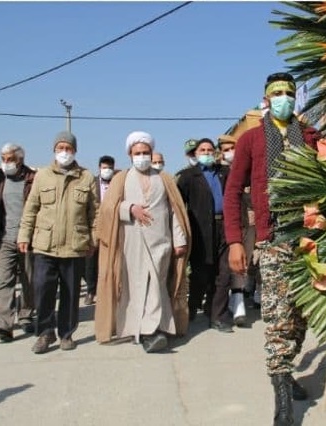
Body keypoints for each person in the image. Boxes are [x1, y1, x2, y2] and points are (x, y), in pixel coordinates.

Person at [223, 72, 321, 424]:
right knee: (279, 317)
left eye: (288, 93)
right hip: (273, 238)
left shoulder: (309, 136)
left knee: (303, 315)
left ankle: (286, 368)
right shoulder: (251, 139)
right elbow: (233, 191)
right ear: (266, 99)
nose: (283, 98)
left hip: (309, 240)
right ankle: (282, 402)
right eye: (277, 93)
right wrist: (236, 241)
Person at [94, 131, 190, 353]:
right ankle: (139, 329)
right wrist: (129, 208)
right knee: (135, 286)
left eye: (146, 152)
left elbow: (175, 211)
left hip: (160, 242)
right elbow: (108, 209)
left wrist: (180, 240)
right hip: (132, 242)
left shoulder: (164, 178)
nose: (142, 157)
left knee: (156, 285)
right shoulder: (121, 178)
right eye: (138, 153)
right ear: (130, 154)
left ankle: (154, 330)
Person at [17, 131, 99, 354]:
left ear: (75, 151)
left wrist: (93, 239)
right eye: (60, 148)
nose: (64, 152)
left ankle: (66, 334)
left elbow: (95, 213)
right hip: (45, 246)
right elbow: (31, 208)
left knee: (70, 294)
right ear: (54, 150)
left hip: (74, 246)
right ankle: (45, 333)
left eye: (68, 148)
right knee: (43, 290)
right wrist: (24, 235)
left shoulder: (86, 177)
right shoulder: (42, 176)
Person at [178, 138, 234, 333]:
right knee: (201, 273)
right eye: (202, 150)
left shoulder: (225, 172)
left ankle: (218, 316)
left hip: (224, 227)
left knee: (224, 273)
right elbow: (178, 205)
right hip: (200, 230)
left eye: (210, 150)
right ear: (196, 153)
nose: (207, 153)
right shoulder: (187, 176)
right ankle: (192, 307)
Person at [0, 143, 38, 342]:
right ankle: (4, 326)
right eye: (3, 159)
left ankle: (26, 315)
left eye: (10, 159)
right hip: (4, 238)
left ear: (20, 160)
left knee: (28, 280)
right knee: (5, 281)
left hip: (28, 239)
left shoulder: (33, 179)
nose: (6, 163)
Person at [217, 134, 248, 325]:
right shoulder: (219, 172)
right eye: (225, 150)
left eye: (232, 148)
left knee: (245, 260)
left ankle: (239, 297)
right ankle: (233, 299)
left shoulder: (247, 166)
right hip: (226, 224)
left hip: (247, 220)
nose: (230, 153)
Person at [83, 155, 117, 306]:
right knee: (91, 261)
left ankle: (108, 290)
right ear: (99, 168)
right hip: (95, 226)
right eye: (104, 167)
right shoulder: (92, 183)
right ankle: (91, 291)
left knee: (110, 261)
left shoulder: (117, 183)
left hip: (113, 226)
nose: (107, 170)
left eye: (110, 168)